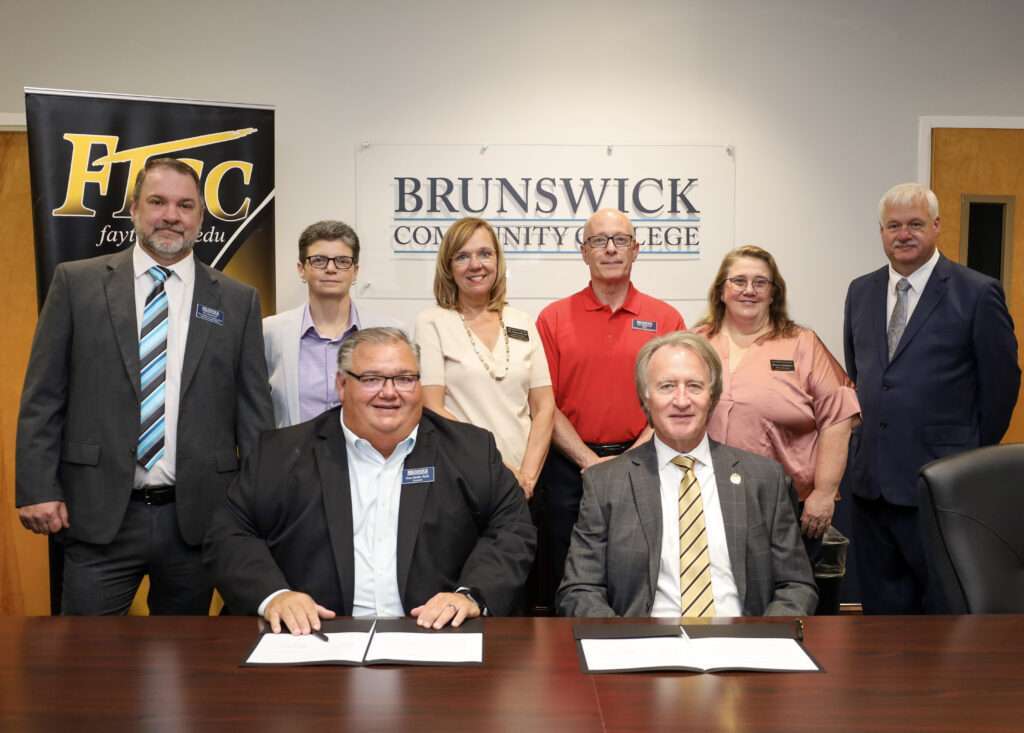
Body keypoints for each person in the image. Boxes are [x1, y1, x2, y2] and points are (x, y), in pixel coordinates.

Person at [16, 157, 273, 615]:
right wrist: (38, 486)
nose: (171, 215)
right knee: (88, 662)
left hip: (197, 518)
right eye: (157, 202)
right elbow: (43, 396)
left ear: (199, 217)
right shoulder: (77, 284)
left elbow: (253, 413)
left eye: (185, 205)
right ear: (133, 209)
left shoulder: (237, 301)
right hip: (96, 513)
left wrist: (257, 507)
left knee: (185, 669)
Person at [204, 327, 537, 633]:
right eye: (372, 379)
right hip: (316, 635)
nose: (390, 393)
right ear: (341, 384)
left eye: (405, 379)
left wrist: (470, 596)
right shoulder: (280, 453)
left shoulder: (471, 450)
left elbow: (512, 528)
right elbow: (230, 532)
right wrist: (274, 595)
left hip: (434, 634)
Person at [844, 182, 1020, 614]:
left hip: (939, 488)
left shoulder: (976, 292)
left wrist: (967, 456)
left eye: (916, 224)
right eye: (893, 226)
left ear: (937, 226)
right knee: (880, 620)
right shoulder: (860, 291)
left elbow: (1001, 385)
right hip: (871, 490)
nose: (904, 234)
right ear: (881, 232)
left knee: (944, 617)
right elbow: (862, 375)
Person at [557, 332, 817, 617]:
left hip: (743, 645)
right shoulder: (607, 483)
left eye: (694, 386)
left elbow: (796, 585)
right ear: (646, 397)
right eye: (667, 386)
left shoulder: (764, 479)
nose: (681, 401)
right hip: (644, 649)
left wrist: (762, 639)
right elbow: (580, 590)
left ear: (713, 396)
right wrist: (625, 642)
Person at [535, 208, 686, 603]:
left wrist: (630, 459)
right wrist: (588, 461)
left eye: (620, 240)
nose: (610, 249)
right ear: (583, 252)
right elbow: (543, 403)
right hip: (568, 470)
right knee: (565, 578)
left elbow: (673, 400)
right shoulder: (552, 319)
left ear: (636, 249)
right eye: (598, 241)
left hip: (647, 464)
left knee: (641, 576)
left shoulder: (666, 318)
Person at [693, 245, 860, 544]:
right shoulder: (696, 343)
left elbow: (838, 419)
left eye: (760, 283)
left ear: (774, 293)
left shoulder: (801, 344)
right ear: (721, 291)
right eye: (738, 281)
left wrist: (823, 493)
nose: (749, 290)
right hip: (705, 501)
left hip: (784, 507)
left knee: (785, 590)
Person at [415, 217, 554, 498]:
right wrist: (503, 471)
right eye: (462, 256)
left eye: (484, 254)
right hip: (464, 478)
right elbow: (432, 407)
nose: (475, 265)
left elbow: (544, 407)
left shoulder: (522, 322)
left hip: (528, 483)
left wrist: (527, 477)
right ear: (448, 268)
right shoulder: (432, 322)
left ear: (497, 261)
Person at [263, 220, 404, 428]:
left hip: (369, 456)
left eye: (342, 261)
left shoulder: (390, 334)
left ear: (355, 271)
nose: (331, 268)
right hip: (293, 456)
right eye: (319, 260)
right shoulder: (270, 332)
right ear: (301, 269)